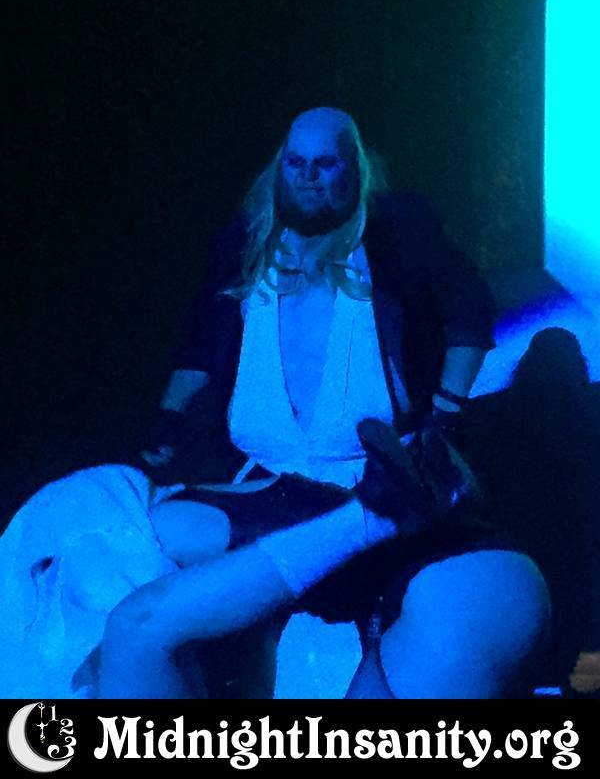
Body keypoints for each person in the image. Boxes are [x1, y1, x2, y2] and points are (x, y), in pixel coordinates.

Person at [0, 107, 550, 699]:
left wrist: (445, 412)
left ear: (354, 169)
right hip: (273, 482)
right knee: (149, 535)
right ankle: (360, 525)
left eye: (325, 163)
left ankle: (376, 520)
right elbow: (202, 345)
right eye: (297, 163)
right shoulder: (247, 245)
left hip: (383, 471)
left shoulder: (396, 232)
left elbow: (468, 312)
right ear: (279, 168)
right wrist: (167, 421)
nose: (309, 176)